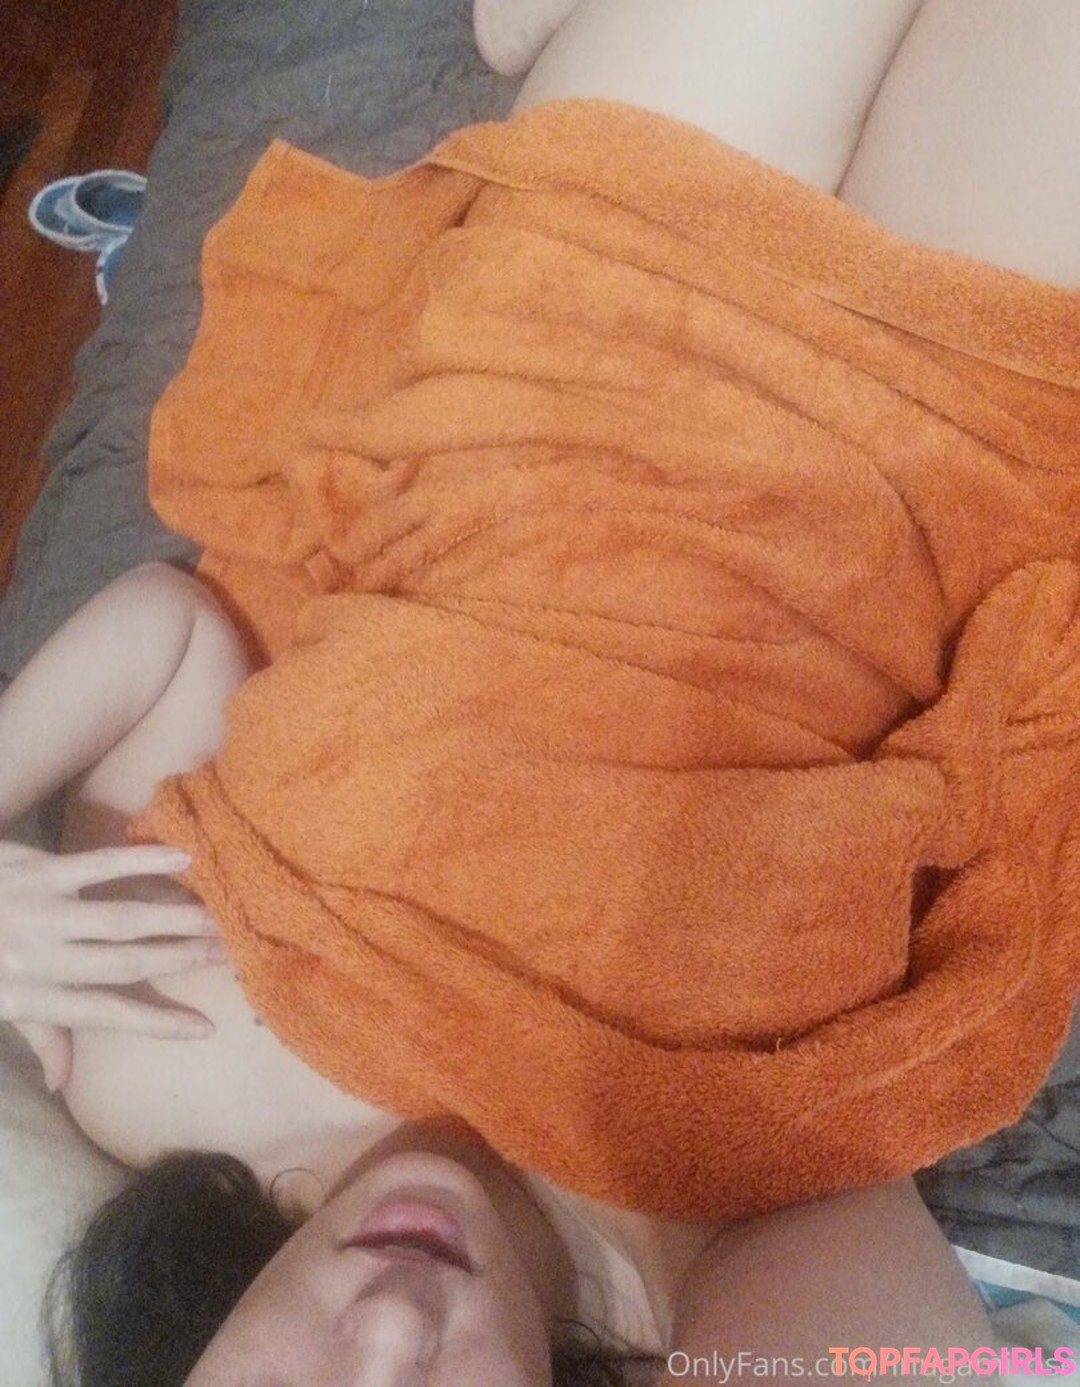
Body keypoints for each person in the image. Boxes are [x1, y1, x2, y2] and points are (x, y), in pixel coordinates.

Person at [3, 0, 1077, 1381]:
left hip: (585, 307)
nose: (389, 1330)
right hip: (937, 424)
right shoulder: (686, 1286)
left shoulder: (152, 1068)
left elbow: (169, 631)